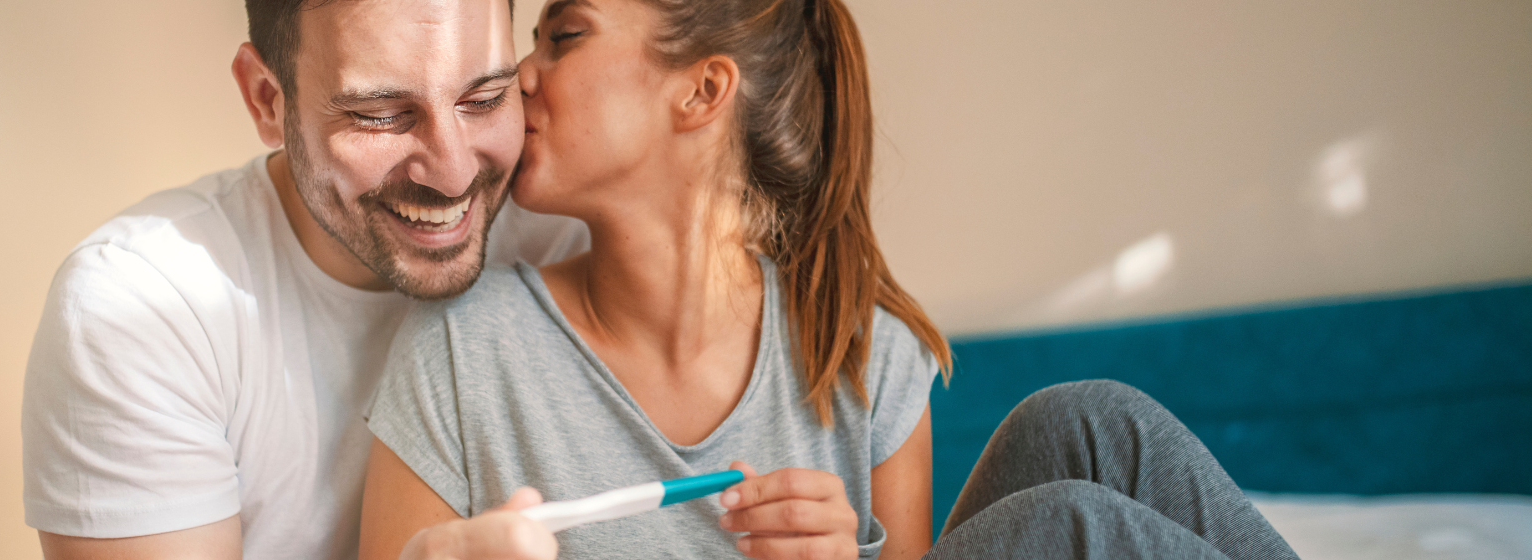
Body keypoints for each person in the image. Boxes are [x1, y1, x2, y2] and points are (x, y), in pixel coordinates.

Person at [359, 1, 1302, 559]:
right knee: (1071, 527)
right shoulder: (460, 351)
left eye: (564, 35)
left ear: (702, 91)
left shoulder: (856, 349)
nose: (518, 76)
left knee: (1089, 424)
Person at [18, 1, 591, 558]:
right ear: (266, 99)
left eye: (485, 99)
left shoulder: (571, 237)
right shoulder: (142, 308)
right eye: (380, 114)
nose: (453, 173)